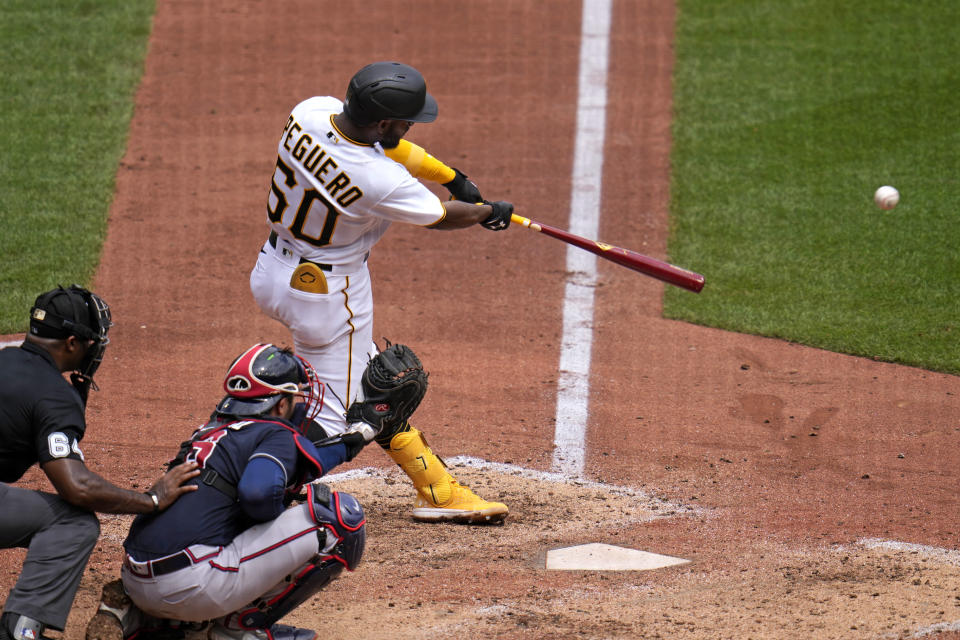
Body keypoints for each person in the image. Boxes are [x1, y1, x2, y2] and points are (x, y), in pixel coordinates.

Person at [250, 61, 512, 524]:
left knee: (375, 380)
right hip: (328, 297)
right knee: (352, 413)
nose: (412, 126)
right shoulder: (378, 179)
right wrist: (488, 210)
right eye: (407, 120)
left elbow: (390, 149)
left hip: (272, 270)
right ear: (385, 122)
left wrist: (450, 175)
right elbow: (442, 216)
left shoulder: (310, 112)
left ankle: (439, 491)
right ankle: (255, 492)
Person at [85, 343, 372, 640]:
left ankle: (142, 618)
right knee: (337, 519)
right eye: (292, 397)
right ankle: (236, 629)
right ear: (280, 405)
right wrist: (275, 512)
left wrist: (354, 440)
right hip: (192, 585)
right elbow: (259, 497)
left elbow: (298, 463)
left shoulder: (209, 432)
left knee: (219, 520)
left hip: (136, 579)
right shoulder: (275, 433)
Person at [0, 285, 200, 640]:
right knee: (73, 523)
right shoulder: (53, 393)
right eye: (92, 342)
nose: (96, 349)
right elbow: (76, 487)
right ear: (72, 343)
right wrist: (150, 501)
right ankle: (22, 629)